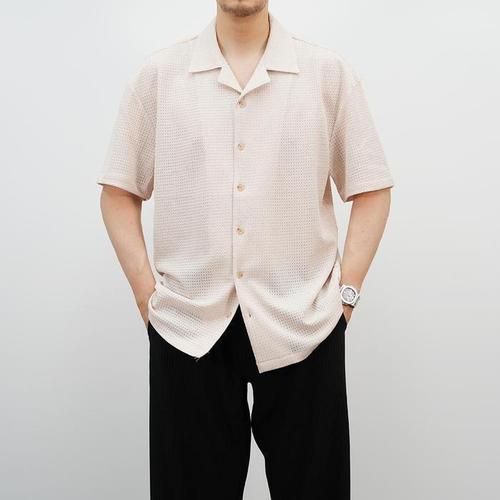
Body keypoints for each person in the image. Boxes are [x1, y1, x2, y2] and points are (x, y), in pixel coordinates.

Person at [97, 1, 394, 498]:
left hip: (305, 325)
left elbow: (371, 189)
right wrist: (147, 298)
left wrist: (345, 300)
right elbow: (118, 192)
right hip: (188, 329)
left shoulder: (327, 74)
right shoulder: (158, 77)